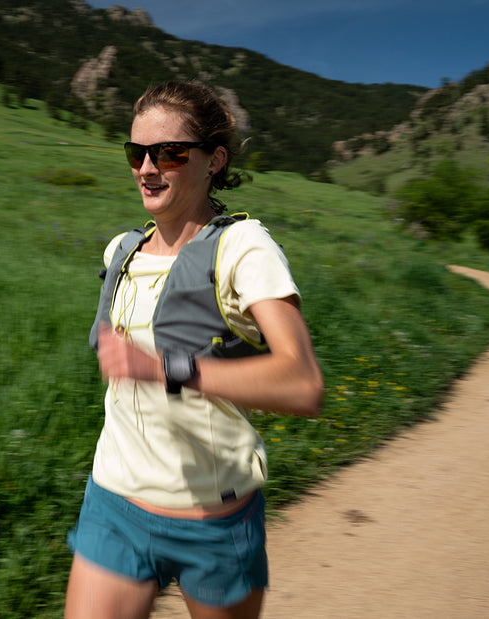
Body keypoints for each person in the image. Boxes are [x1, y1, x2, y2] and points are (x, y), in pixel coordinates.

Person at [64, 81, 324, 619]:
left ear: (214, 161)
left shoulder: (243, 248)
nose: (147, 168)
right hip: (114, 502)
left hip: (214, 518)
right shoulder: (122, 252)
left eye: (170, 152)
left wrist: (169, 368)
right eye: (137, 153)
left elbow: (302, 384)